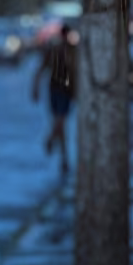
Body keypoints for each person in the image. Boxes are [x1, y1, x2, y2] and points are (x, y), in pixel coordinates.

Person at [32, 22, 77, 174]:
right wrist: (35, 87)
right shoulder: (56, 50)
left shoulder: (71, 50)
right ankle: (55, 146)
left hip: (65, 90)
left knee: (61, 124)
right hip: (58, 89)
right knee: (61, 123)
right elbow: (41, 69)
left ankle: (63, 157)